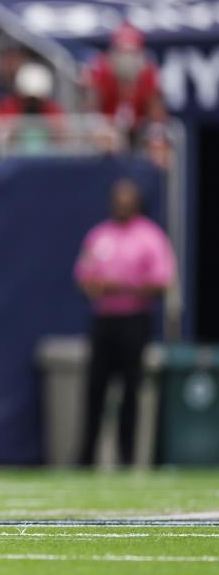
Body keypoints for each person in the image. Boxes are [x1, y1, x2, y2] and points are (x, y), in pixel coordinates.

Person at [73, 178, 176, 467]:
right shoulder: (99, 235)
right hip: (104, 320)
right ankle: (86, 457)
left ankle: (127, 456)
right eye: (118, 199)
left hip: (134, 320)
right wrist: (93, 285)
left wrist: (120, 286)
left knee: (131, 389)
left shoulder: (150, 237)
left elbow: (161, 281)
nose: (122, 204)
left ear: (137, 203)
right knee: (95, 388)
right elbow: (83, 275)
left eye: (127, 199)